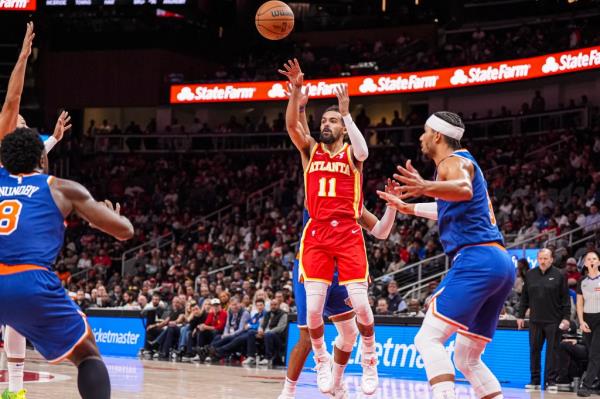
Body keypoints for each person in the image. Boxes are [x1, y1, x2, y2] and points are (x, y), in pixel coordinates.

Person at [278, 59, 396, 397]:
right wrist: (297, 93)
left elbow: (363, 151)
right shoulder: (311, 151)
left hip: (346, 234)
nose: (326, 125)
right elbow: (293, 126)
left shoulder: (351, 160)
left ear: (342, 128)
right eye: (324, 120)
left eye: (332, 121)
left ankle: (368, 361)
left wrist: (345, 113)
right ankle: (319, 364)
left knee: (359, 310)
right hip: (316, 237)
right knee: (311, 315)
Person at [378, 111, 515, 399]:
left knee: (427, 338)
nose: (421, 137)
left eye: (424, 131)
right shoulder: (463, 163)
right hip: (499, 263)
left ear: (438, 135)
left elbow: (463, 190)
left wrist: (426, 187)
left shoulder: (452, 163)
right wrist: (409, 208)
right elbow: (449, 206)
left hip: (476, 259)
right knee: (467, 359)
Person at [0, 128, 134, 399]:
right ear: (41, 157)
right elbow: (124, 231)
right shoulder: (61, 187)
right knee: (87, 354)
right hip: (29, 281)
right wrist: (101, 217)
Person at [517, 248, 571, 392]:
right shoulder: (530, 274)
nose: (542, 261)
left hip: (554, 320)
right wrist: (520, 315)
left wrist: (566, 318)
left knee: (552, 352)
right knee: (534, 351)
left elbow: (565, 300)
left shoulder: (560, 275)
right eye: (540, 258)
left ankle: (550, 382)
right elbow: (524, 298)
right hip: (535, 321)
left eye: (546, 258)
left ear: (551, 259)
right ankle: (534, 381)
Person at [576, 250, 600, 397]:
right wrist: (581, 321)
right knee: (594, 353)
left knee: (595, 354)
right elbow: (579, 303)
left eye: (594, 258)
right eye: (588, 259)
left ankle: (586, 385)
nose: (591, 261)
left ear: (599, 262)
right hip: (587, 320)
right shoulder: (582, 282)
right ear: (585, 263)